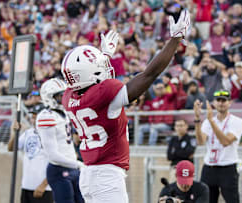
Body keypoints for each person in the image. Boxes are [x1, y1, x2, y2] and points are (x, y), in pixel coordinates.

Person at [61, 10, 191, 203]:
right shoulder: (104, 92)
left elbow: (94, 86)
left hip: (89, 174)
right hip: (107, 176)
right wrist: (175, 39)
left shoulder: (68, 96)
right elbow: (149, 74)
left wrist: (104, 55)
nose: (105, 68)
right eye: (100, 66)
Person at [36, 78, 84, 203]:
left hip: (72, 167)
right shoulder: (46, 116)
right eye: (60, 95)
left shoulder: (63, 113)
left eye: (65, 94)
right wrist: (78, 164)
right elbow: (53, 155)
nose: (64, 98)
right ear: (49, 97)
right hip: (59, 169)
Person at [193, 89, 242, 203]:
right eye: (218, 100)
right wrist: (197, 120)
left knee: (232, 200)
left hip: (228, 167)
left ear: (229, 103)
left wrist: (212, 121)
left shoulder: (237, 121)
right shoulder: (207, 122)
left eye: (224, 100)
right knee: (206, 200)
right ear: (214, 103)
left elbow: (225, 141)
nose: (221, 103)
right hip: (209, 167)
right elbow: (201, 141)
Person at [8, 104, 53, 203]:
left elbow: (56, 163)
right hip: (26, 186)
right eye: (32, 117)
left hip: (44, 189)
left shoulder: (51, 134)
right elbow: (11, 148)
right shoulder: (28, 133)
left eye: (36, 116)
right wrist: (15, 133)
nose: (33, 120)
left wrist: (44, 185)